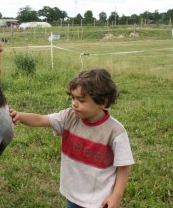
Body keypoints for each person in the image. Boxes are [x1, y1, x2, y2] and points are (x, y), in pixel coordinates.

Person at [9, 68, 134, 208]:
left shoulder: (115, 132)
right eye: (73, 98)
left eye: (81, 100)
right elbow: (40, 120)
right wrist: (19, 115)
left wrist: (116, 196)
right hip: (73, 196)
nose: (74, 103)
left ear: (102, 103)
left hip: (99, 201)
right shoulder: (69, 117)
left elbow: (124, 166)